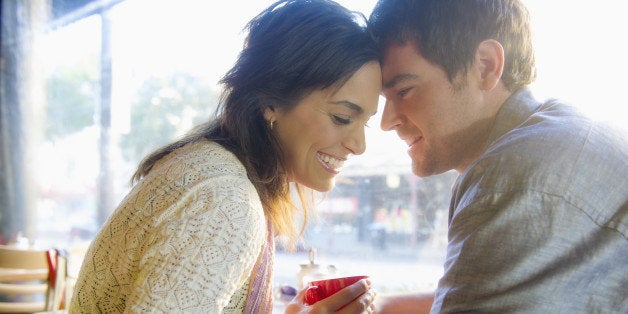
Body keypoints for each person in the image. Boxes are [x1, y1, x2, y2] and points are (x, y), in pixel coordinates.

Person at [69, 0, 381, 312]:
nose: (359, 145)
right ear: (271, 101)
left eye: (364, 123)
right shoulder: (224, 200)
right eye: (341, 118)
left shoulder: (210, 169)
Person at [368, 0, 628, 313]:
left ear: (485, 65)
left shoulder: (515, 177)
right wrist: (379, 306)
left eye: (404, 90)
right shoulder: (553, 132)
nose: (386, 121)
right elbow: (484, 293)